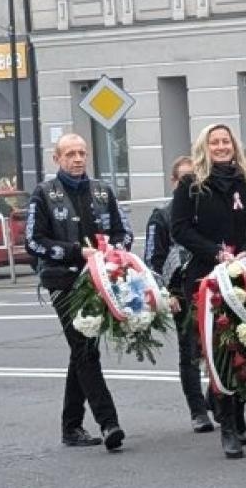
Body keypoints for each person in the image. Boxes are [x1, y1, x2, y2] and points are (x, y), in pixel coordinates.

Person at [25, 133, 132, 451]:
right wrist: (75, 252)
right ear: (56, 158)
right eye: (70, 153)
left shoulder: (102, 190)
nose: (77, 158)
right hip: (64, 282)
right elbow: (33, 241)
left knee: (81, 350)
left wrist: (112, 251)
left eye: (82, 152)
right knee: (86, 349)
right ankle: (109, 422)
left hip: (99, 279)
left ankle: (71, 426)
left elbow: (123, 231)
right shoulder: (44, 193)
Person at [171, 124, 246, 459]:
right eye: (215, 142)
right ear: (205, 147)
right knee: (220, 349)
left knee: (244, 346)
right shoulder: (191, 185)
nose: (221, 146)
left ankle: (238, 413)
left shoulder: (245, 182)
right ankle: (227, 426)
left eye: (226, 141)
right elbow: (179, 229)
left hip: (241, 276)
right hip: (205, 279)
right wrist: (215, 253)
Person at [145, 155, 213, 434]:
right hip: (179, 290)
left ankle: (216, 400)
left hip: (210, 287)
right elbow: (152, 260)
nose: (190, 185)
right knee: (190, 351)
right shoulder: (161, 216)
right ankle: (198, 411)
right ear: (174, 182)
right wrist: (164, 293)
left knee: (216, 346)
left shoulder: (208, 211)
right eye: (184, 179)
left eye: (194, 179)